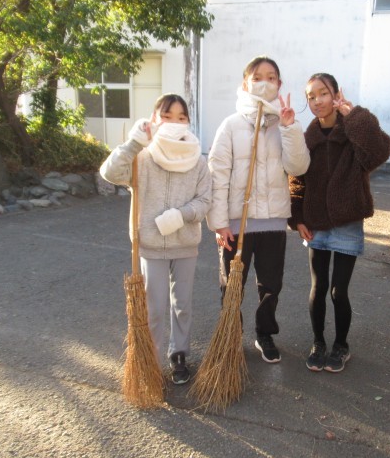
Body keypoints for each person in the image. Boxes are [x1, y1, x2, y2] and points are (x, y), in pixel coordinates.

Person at [99, 94, 211, 385]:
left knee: (183, 305)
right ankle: (151, 361)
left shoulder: (198, 161)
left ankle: (179, 354)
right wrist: (133, 143)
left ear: (189, 122)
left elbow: (205, 201)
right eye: (167, 116)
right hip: (150, 244)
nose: (174, 122)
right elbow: (109, 173)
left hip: (185, 244)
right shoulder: (143, 157)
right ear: (154, 119)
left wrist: (181, 215)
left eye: (181, 117)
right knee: (154, 308)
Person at [207, 55, 310, 363]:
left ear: (279, 84)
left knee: (271, 285)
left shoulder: (285, 124)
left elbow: (298, 167)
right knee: (231, 285)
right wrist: (219, 222)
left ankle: (265, 334)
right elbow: (217, 175)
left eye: (271, 77)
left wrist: (290, 128)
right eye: (257, 77)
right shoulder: (231, 125)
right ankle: (231, 335)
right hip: (236, 223)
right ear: (245, 83)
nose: (265, 82)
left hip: (273, 221)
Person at [289, 73, 390, 373]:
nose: (317, 101)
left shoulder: (353, 131)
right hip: (315, 222)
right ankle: (318, 343)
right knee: (318, 286)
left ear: (335, 95)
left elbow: (379, 152)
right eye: (311, 96)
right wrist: (297, 218)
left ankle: (341, 345)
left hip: (347, 222)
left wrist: (354, 115)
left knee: (339, 290)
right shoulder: (307, 139)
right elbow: (296, 179)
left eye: (323, 93)